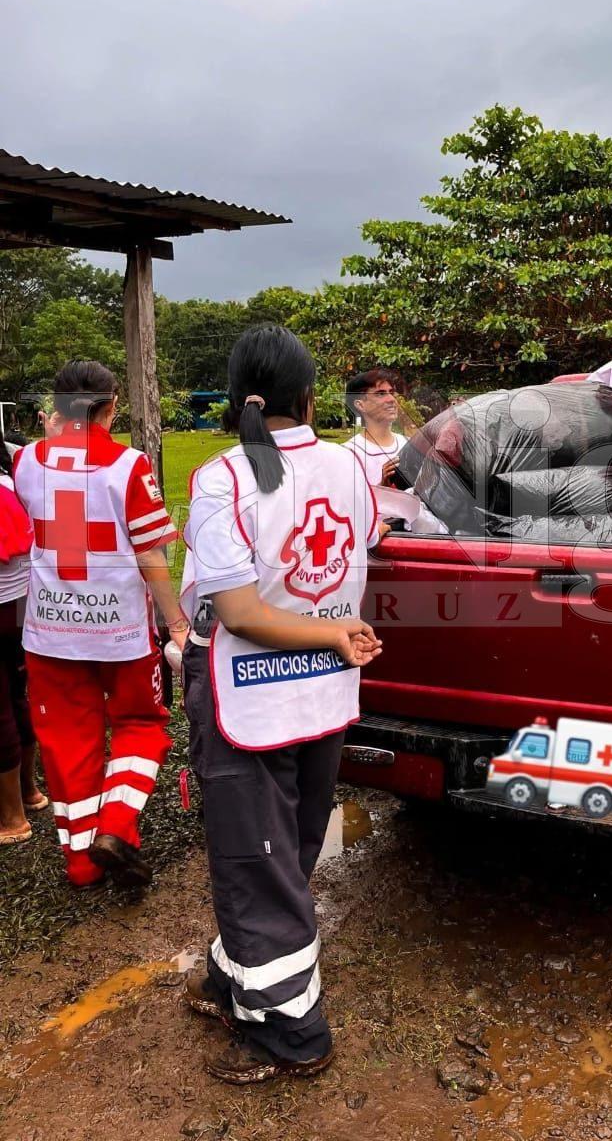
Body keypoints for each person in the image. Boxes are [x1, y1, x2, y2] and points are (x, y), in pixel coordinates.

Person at [180, 325, 382, 1085]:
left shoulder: (224, 479)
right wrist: (333, 633)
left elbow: (238, 611)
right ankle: (236, 981)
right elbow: (364, 540)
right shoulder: (348, 466)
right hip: (322, 697)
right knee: (282, 851)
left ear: (236, 402)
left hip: (249, 702)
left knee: (254, 860)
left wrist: (322, 636)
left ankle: (294, 1033)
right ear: (308, 395)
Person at [13, 361, 186, 887]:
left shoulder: (24, 462)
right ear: (113, 406)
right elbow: (151, 555)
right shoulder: (128, 466)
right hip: (119, 633)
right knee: (141, 725)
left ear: (58, 407)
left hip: (48, 630)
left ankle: (81, 863)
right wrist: (174, 621)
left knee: (66, 742)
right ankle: (116, 825)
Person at [0, 438, 45, 844]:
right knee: (19, 694)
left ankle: (11, 818)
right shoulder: (15, 476)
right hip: (21, 604)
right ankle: (30, 792)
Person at [344, 369, 409, 488]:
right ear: (360, 405)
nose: (391, 400)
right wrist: (383, 488)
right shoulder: (348, 454)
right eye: (380, 394)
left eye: (391, 392)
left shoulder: (409, 443)